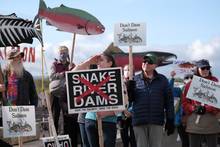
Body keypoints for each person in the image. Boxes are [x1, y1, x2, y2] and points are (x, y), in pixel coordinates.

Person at [73, 53, 121, 147]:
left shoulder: (118, 78)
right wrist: (89, 62)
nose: (98, 63)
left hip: (108, 122)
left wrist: (108, 113)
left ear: (110, 63)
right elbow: (72, 74)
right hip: (90, 120)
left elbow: (123, 101)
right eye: (98, 61)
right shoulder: (90, 76)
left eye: (101, 60)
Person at [127, 53, 175, 147]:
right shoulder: (134, 80)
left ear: (155, 65)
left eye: (149, 62)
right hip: (139, 121)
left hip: (156, 120)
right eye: (144, 61)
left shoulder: (163, 80)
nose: (146, 63)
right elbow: (129, 101)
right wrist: (129, 90)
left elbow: (169, 101)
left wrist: (170, 119)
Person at [182, 59, 220, 147]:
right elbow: (184, 102)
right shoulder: (190, 84)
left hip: (211, 120)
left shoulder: (215, 83)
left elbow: (218, 101)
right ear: (197, 69)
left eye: (207, 68)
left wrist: (207, 108)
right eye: (203, 68)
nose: (206, 70)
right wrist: (193, 108)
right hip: (194, 121)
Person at [49, 45, 79, 146]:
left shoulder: (72, 64)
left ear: (68, 54)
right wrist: (63, 73)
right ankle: (55, 135)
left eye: (64, 52)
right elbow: (51, 76)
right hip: (56, 92)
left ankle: (67, 136)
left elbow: (76, 76)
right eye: (61, 53)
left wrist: (71, 70)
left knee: (67, 115)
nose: (63, 54)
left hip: (67, 94)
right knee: (55, 115)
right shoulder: (54, 64)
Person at [117, 64, 136, 147]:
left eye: (129, 70)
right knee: (124, 137)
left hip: (134, 114)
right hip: (121, 115)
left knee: (133, 138)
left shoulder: (137, 83)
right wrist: (124, 110)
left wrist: (131, 110)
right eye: (125, 70)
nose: (127, 72)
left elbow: (138, 99)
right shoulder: (119, 83)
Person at [170, 71, 190, 147]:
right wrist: (172, 78)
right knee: (185, 142)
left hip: (194, 120)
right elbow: (170, 90)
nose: (189, 79)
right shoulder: (178, 89)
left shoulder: (196, 89)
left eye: (191, 77)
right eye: (187, 78)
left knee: (195, 142)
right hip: (180, 120)